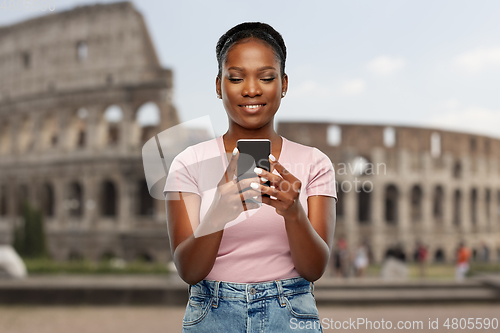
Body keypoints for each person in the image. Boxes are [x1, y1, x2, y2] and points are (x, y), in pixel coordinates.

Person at [164, 22, 337, 332]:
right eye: (236, 78)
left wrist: (294, 214)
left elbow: (314, 269)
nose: (252, 89)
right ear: (219, 86)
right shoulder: (188, 163)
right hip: (212, 313)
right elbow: (189, 270)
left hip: (291, 313)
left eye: (266, 77)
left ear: (283, 84)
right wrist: (218, 212)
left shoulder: (314, 163)